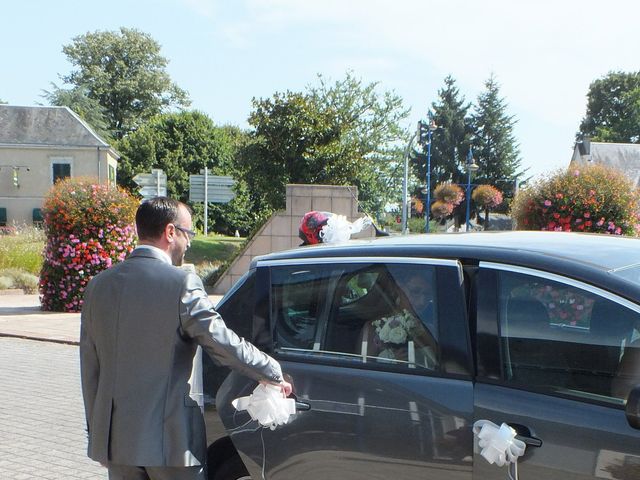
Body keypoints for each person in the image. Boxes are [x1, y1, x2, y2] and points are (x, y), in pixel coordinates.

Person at [80, 197, 292, 480]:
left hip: (118, 443)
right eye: (188, 233)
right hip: (171, 442)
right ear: (170, 232)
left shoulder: (98, 286)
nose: (189, 242)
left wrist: (98, 436)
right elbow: (221, 340)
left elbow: (90, 368)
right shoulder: (181, 283)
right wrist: (271, 370)